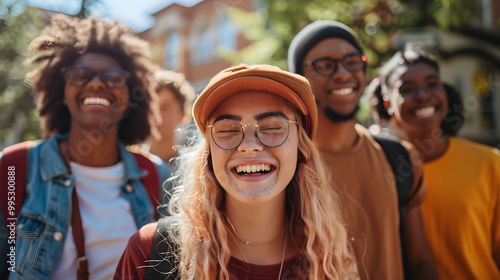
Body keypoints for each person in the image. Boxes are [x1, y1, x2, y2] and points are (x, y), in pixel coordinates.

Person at [114, 64, 359, 279]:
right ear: (208, 153)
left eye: (273, 127)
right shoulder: (149, 253)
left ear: (301, 147)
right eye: (227, 130)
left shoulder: (333, 259)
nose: (250, 146)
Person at [0, 15, 170, 280]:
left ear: (129, 96)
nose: (95, 83)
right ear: (62, 92)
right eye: (80, 74)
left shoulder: (155, 174)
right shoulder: (14, 166)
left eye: (113, 77)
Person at [287, 20, 438, 280]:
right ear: (300, 79)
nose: (343, 73)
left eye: (353, 61)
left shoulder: (400, 157)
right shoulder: (285, 166)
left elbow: (419, 258)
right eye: (325, 65)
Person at [376, 46, 500, 279]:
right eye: (407, 89)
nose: (423, 95)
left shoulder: (489, 163)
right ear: (387, 102)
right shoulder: (378, 170)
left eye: (432, 84)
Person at [144, 69, 196, 165]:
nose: (157, 114)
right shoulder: (129, 163)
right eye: (152, 107)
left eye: (165, 108)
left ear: (183, 115)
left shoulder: (193, 167)